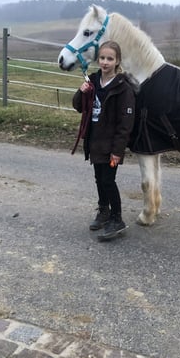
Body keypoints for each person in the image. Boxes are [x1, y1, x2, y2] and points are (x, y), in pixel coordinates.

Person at [71, 40, 135, 241]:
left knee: (109, 180)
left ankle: (117, 219)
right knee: (99, 179)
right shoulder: (93, 81)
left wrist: (118, 151)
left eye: (110, 59)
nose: (105, 62)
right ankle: (104, 211)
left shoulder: (123, 88)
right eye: (102, 58)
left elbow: (125, 124)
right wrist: (81, 92)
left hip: (111, 146)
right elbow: (78, 106)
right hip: (95, 142)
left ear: (117, 61)